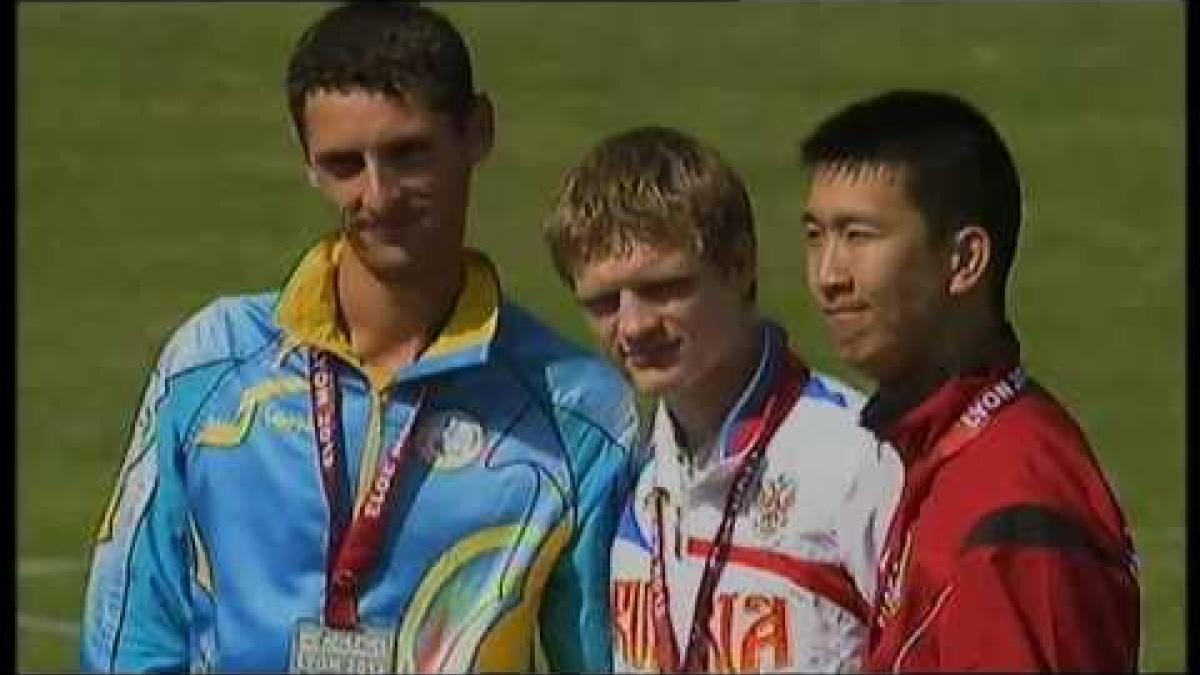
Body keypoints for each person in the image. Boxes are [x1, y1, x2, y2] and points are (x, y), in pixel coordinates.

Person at [79, 3, 640, 672]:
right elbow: (131, 635)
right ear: (309, 166)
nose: (378, 194)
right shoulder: (212, 363)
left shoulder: (576, 411)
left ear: (477, 131)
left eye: (408, 153)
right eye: (344, 164)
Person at [798, 89, 1141, 671]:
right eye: (815, 236)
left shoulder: (1010, 507)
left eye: (858, 236)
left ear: (964, 261)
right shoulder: (941, 449)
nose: (828, 275)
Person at [544, 125, 902, 673]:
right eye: (603, 303)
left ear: (740, 265)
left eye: (664, 288)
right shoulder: (632, 479)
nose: (634, 325)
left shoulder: (860, 460)